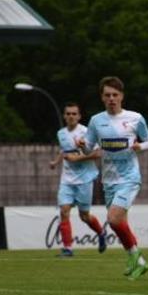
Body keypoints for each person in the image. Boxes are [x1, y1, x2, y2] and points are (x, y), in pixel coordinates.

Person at [79, 76, 148, 279]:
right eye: (107, 95)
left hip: (129, 177)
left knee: (113, 219)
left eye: (115, 95)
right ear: (102, 98)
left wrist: (141, 146)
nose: (111, 98)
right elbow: (89, 146)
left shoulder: (135, 118)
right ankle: (135, 261)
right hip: (109, 180)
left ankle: (137, 257)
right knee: (120, 224)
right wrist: (82, 144)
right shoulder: (96, 121)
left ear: (121, 96)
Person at [50, 102, 107, 258]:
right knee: (64, 211)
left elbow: (97, 153)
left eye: (74, 114)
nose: (71, 116)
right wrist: (56, 162)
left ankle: (101, 232)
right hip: (67, 180)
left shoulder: (86, 132)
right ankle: (67, 248)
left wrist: (78, 158)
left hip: (84, 179)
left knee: (84, 216)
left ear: (79, 116)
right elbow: (64, 150)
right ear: (64, 116)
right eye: (68, 113)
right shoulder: (61, 133)